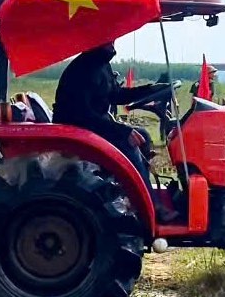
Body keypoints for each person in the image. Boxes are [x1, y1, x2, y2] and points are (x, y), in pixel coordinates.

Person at [53, 42, 177, 222]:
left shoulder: (100, 65)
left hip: (91, 124)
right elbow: (81, 113)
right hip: (79, 127)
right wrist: (121, 131)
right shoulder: (83, 70)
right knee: (130, 143)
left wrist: (150, 89)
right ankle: (151, 207)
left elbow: (115, 94)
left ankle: (131, 196)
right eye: (108, 38)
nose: (113, 41)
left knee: (143, 134)